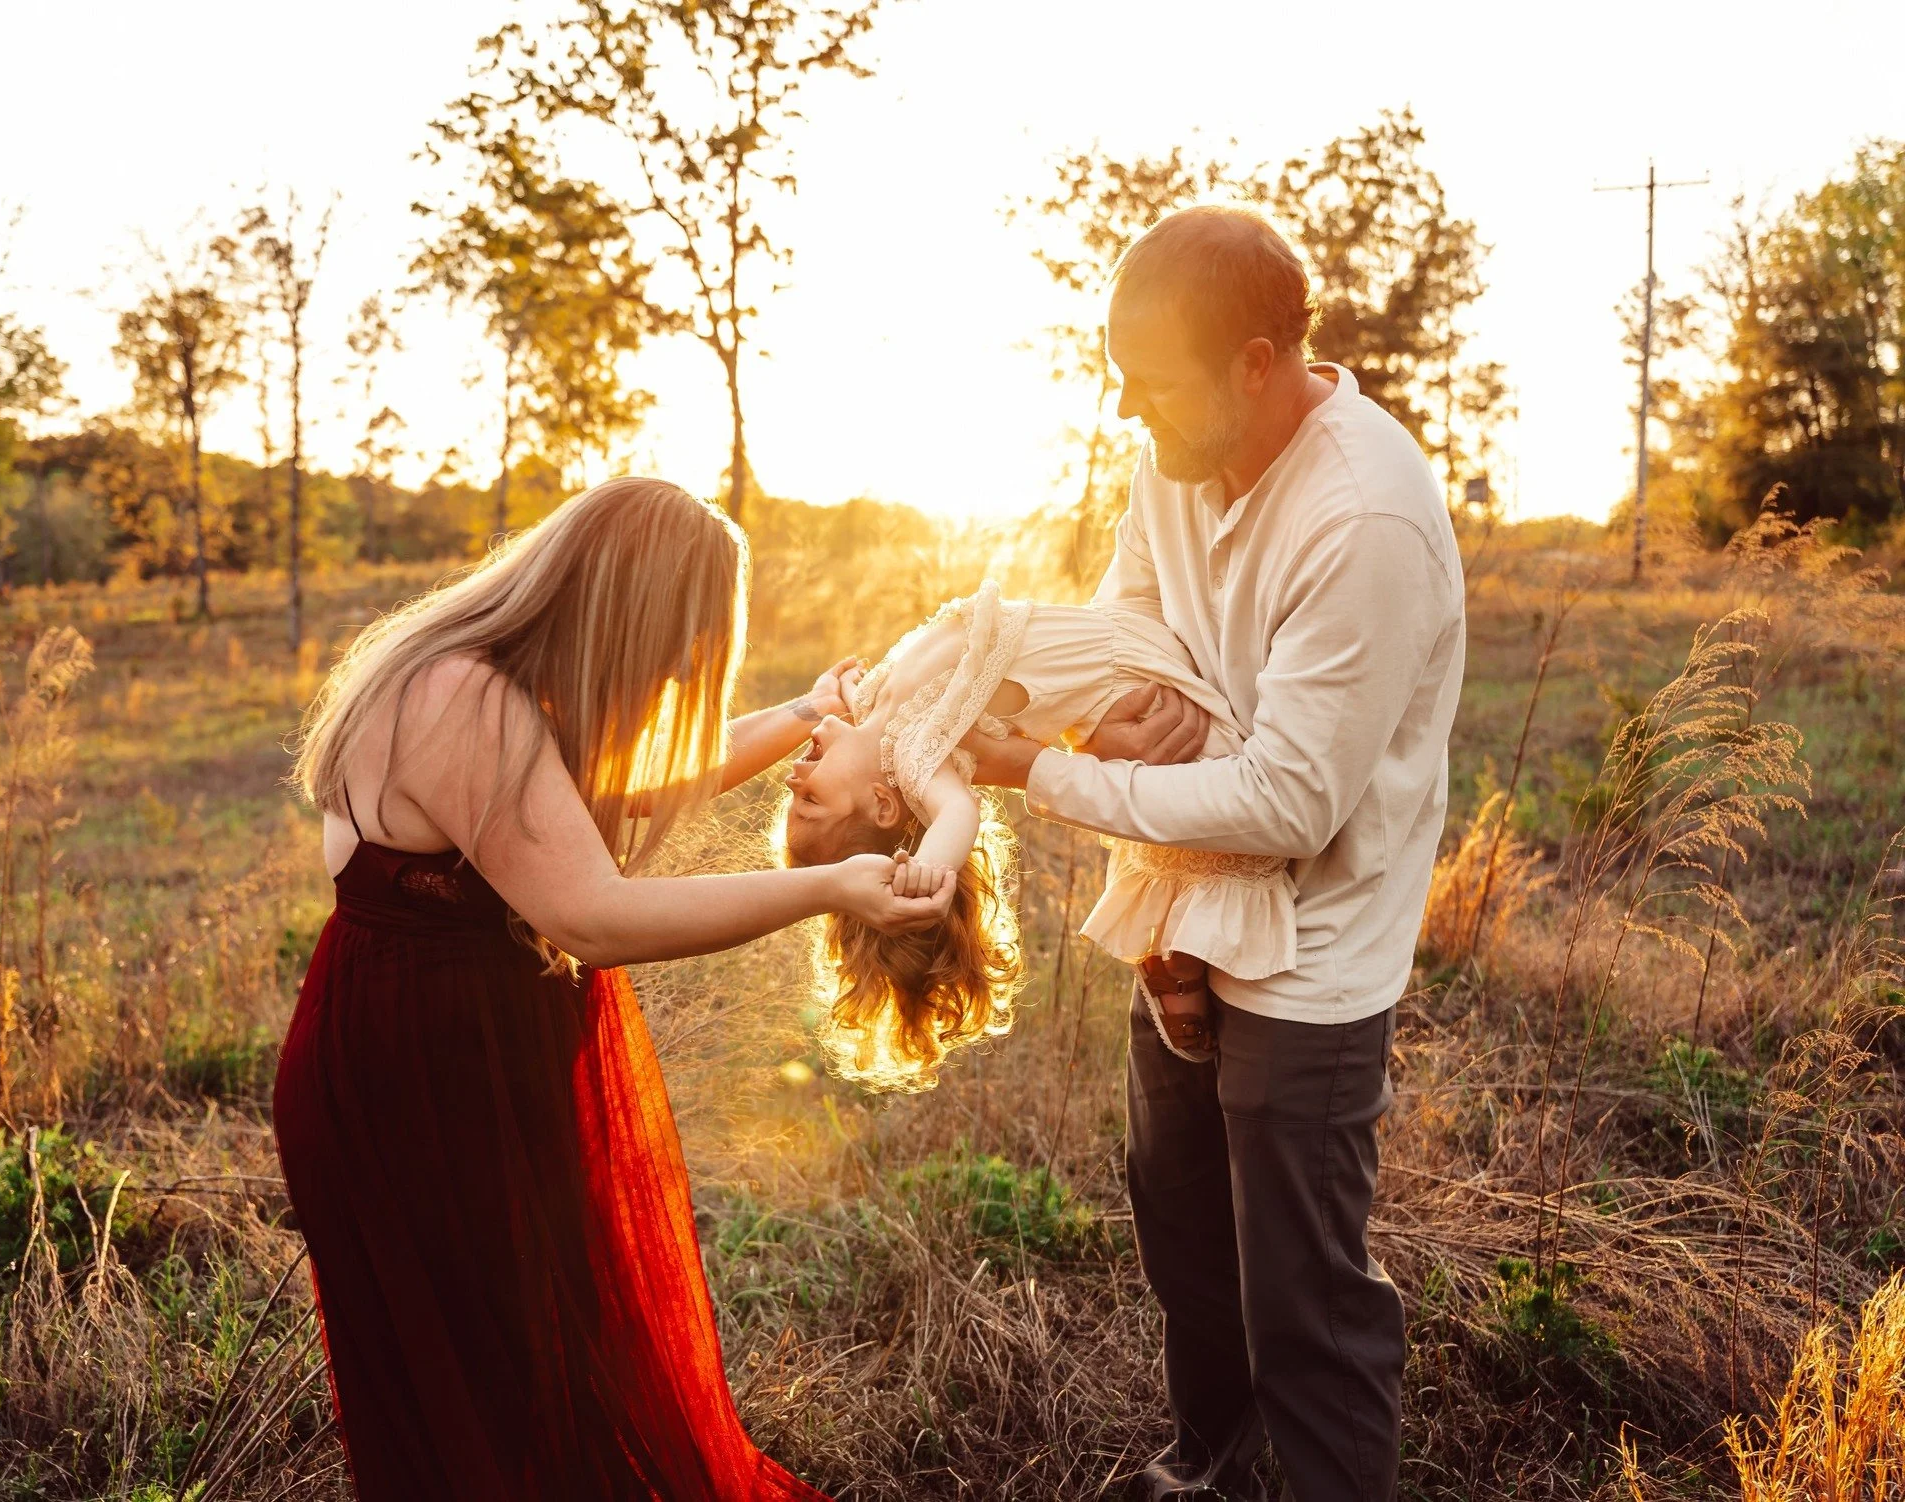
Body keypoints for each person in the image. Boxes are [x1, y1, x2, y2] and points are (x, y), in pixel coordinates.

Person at [272, 477, 952, 1501]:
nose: (679, 675)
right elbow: (590, 915)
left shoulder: (496, 686)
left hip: (479, 1061)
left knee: (546, 1365)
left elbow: (607, 792)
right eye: (680, 647)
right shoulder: (460, 695)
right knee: (489, 1380)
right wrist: (827, 886)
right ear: (622, 612)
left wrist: (802, 712)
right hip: (422, 1082)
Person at [970, 206, 1467, 1501]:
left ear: (1257, 362)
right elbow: (1132, 633)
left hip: (1312, 947)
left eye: (1156, 383)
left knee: (1304, 1296)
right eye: (1121, 378)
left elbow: (1292, 801)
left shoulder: (1365, 516)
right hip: (1181, 904)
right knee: (1182, 1227)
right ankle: (1209, 1466)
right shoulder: (1172, 465)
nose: (1131, 411)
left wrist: (1045, 769)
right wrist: (1125, 707)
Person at [781, 578, 1299, 1091]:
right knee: (1224, 834)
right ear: (882, 802)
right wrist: (926, 870)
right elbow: (958, 814)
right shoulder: (915, 759)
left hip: (1130, 634)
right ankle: (1179, 953)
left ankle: (1183, 949)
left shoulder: (869, 708)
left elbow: (852, 704)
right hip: (1146, 691)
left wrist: (837, 695)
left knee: (1184, 814)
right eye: (811, 800)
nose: (793, 777)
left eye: (796, 796)